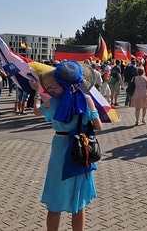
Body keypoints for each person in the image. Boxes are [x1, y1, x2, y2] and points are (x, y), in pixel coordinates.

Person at [31, 61, 103, 231]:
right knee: (78, 204)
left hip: (60, 149)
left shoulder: (52, 101)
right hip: (80, 151)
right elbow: (98, 126)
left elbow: (36, 111)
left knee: (55, 202)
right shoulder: (86, 99)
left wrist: (36, 93)